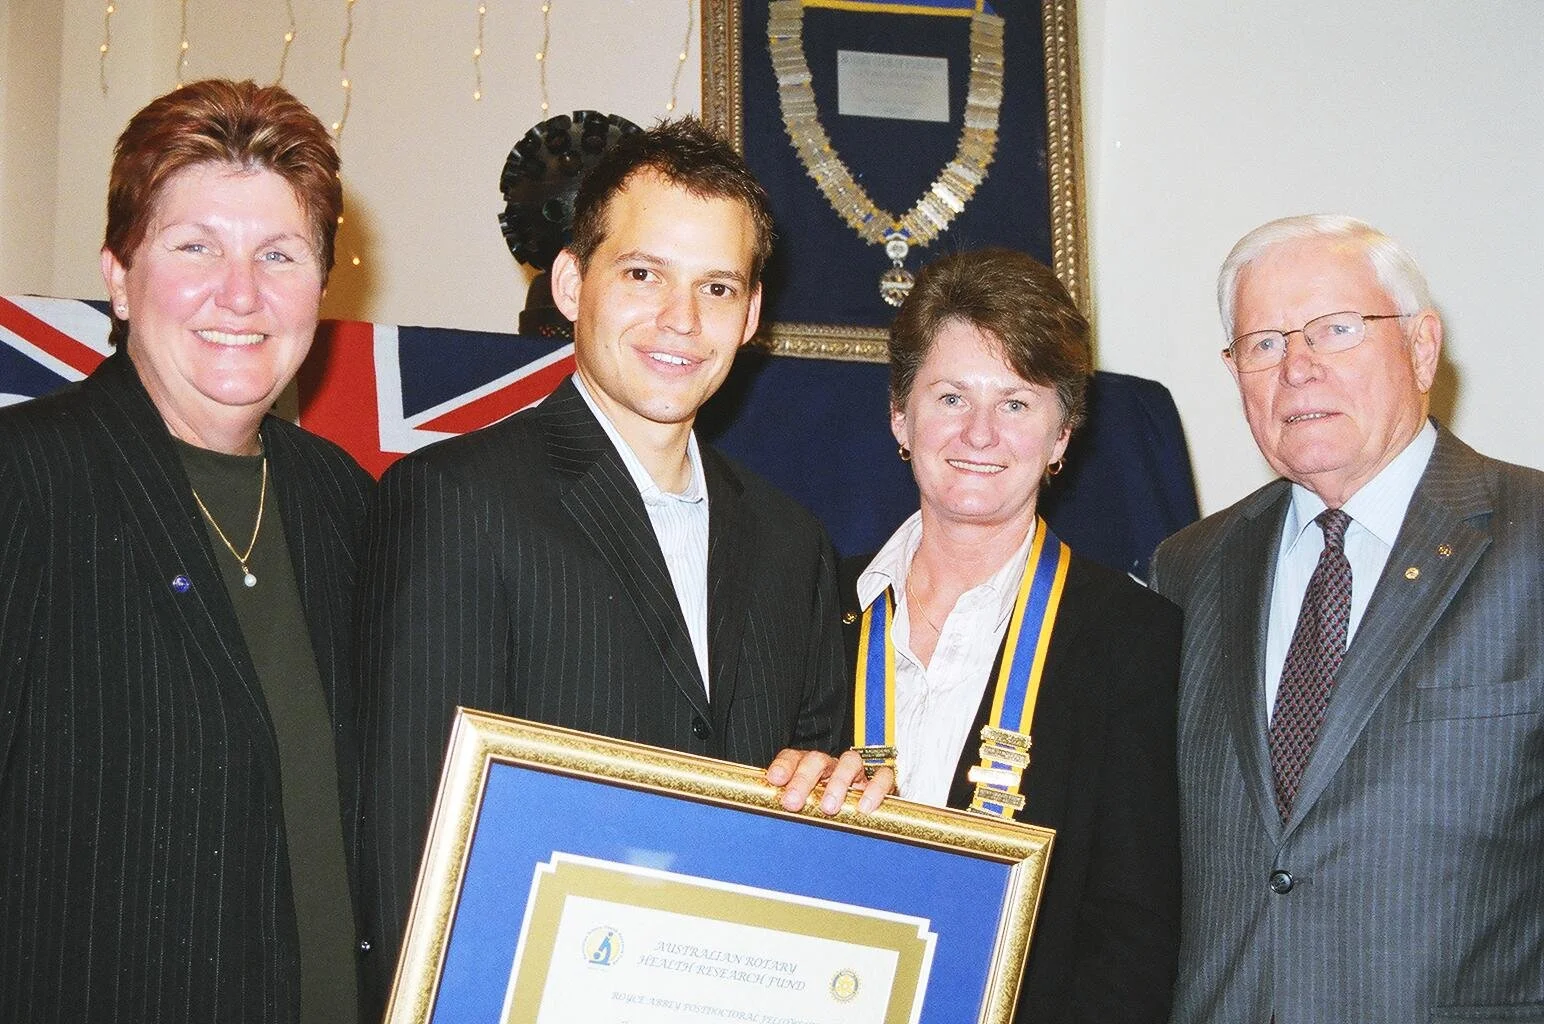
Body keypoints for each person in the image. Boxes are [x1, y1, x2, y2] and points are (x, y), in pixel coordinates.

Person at [355, 117, 872, 1014]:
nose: (681, 320)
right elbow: (413, 851)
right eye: (643, 274)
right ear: (570, 282)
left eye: (717, 286)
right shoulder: (456, 500)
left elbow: (813, 817)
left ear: (752, 317)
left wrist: (847, 804)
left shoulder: (797, 545)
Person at [0, 80, 371, 1023]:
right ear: (119, 277)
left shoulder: (348, 503)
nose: (240, 293)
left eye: (280, 255)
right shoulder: (23, 482)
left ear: (321, 287)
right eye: (194, 246)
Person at [1151, 214, 1544, 1021]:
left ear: (1422, 347)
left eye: (1335, 330)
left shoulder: (1531, 537)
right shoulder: (1185, 568)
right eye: (1263, 343)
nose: (1297, 368)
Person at [839, 248, 1181, 1023]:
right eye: (951, 396)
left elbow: (1134, 938)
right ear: (901, 414)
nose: (980, 433)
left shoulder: (1136, 642)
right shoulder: (809, 602)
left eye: (1018, 404)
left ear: (1063, 435)